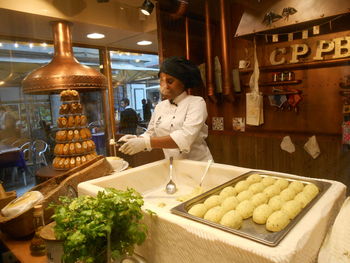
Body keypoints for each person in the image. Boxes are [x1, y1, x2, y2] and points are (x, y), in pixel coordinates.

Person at [119, 56, 213, 161]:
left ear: (183, 82)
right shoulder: (160, 107)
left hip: (199, 166)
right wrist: (137, 139)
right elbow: (151, 133)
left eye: (170, 81)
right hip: (173, 166)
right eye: (162, 81)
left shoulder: (196, 103)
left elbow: (185, 138)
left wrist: (146, 142)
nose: (165, 86)